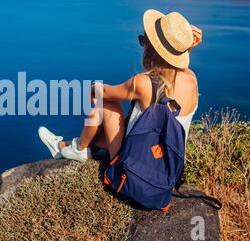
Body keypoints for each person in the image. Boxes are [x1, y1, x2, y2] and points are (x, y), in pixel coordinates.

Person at [39, 9, 202, 162]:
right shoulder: (192, 80)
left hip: (133, 168)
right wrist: (184, 42)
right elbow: (179, 66)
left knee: (105, 104)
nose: (142, 44)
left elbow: (104, 93)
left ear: (152, 50)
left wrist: (94, 88)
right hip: (168, 169)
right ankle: (65, 145)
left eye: (143, 41)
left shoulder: (143, 83)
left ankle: (79, 148)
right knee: (127, 123)